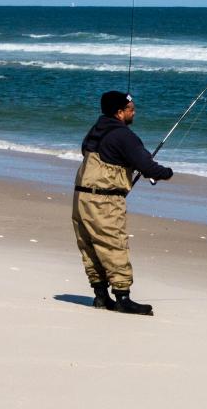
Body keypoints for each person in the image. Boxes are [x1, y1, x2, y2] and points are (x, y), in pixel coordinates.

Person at [72, 90, 173, 315]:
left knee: (89, 246)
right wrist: (167, 173)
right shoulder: (124, 136)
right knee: (113, 244)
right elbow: (148, 167)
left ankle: (100, 296)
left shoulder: (95, 131)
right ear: (119, 112)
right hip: (104, 200)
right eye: (130, 109)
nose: (133, 112)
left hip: (81, 197)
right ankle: (122, 298)